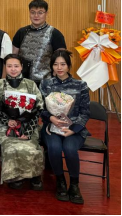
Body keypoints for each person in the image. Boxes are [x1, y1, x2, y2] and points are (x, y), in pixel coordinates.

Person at [40, 49, 89, 205]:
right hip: (51, 127)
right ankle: (60, 181)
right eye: (55, 64)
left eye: (63, 64)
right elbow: (40, 108)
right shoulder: (46, 84)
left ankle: (74, 185)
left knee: (69, 148)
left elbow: (85, 111)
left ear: (69, 66)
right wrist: (51, 118)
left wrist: (73, 129)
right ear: (51, 66)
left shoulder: (80, 85)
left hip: (73, 129)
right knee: (54, 148)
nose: (59, 68)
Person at [0, 54, 44, 190]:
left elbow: (39, 108)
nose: (13, 69)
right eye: (9, 66)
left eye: (16, 66)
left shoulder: (31, 84)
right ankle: (15, 176)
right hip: (6, 125)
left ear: (21, 67)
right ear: (5, 67)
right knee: (11, 147)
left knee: (31, 148)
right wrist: (7, 120)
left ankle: (34, 175)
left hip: (28, 124)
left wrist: (29, 130)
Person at [13, 0, 67, 85]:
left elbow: (62, 59)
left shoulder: (55, 33)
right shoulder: (21, 32)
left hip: (46, 82)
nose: (36, 16)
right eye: (33, 12)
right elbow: (13, 56)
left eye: (40, 12)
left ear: (46, 13)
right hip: (22, 81)